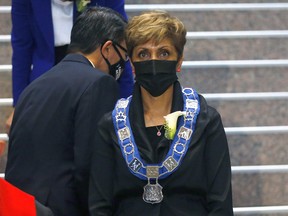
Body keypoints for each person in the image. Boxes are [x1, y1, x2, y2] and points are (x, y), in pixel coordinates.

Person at [89, 10, 234, 215]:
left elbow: (220, 204)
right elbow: (100, 206)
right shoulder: (110, 126)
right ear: (132, 64)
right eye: (143, 54)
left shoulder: (206, 121)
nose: (154, 61)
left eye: (164, 53)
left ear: (179, 61)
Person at [5, 7, 128, 216]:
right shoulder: (99, 83)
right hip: (61, 208)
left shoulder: (34, 87)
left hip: (19, 206)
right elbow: (89, 164)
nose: (123, 64)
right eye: (123, 55)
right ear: (107, 49)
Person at [5, 0, 134, 133]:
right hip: (46, 80)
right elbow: (22, 49)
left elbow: (120, 48)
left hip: (95, 76)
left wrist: (128, 104)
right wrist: (19, 106)